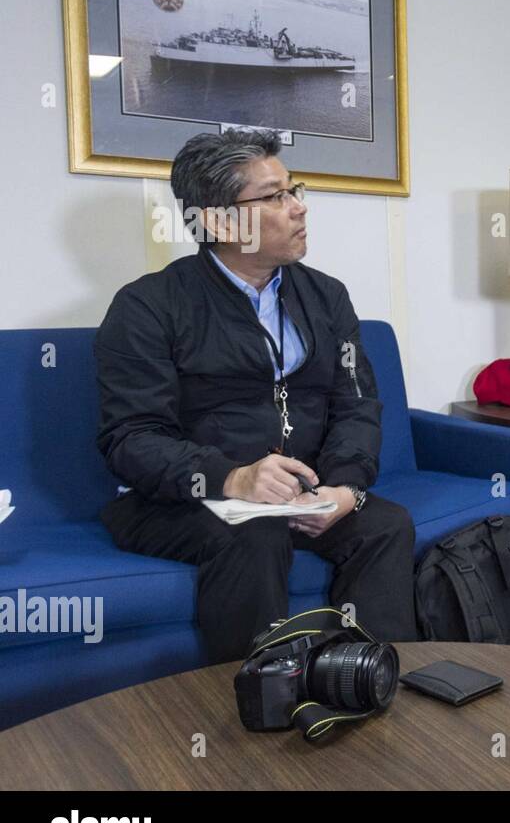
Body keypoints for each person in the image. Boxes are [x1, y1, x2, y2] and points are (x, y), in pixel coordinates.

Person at [95, 129, 418, 664]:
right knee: (255, 533)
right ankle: (261, 703)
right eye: (275, 196)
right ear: (219, 220)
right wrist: (233, 477)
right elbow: (130, 438)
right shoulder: (148, 307)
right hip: (185, 499)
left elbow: (357, 404)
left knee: (385, 523)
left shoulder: (326, 295)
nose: (299, 209)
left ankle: (362, 680)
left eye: (296, 190)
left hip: (301, 491)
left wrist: (342, 486)